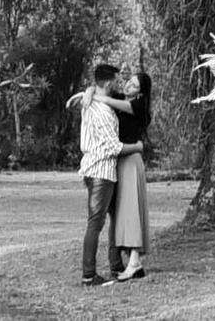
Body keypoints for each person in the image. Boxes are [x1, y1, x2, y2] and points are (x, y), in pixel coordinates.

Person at [69, 61, 140, 286]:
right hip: (101, 171)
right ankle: (89, 274)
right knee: (96, 222)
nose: (119, 85)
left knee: (114, 217)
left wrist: (88, 91)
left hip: (102, 170)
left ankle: (115, 264)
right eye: (117, 81)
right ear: (108, 82)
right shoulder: (102, 112)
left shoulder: (90, 103)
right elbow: (113, 147)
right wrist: (137, 147)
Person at [109, 69, 152, 280]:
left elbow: (115, 103)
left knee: (132, 210)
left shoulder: (139, 106)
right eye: (129, 82)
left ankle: (134, 262)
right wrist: (88, 93)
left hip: (131, 163)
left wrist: (99, 97)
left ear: (140, 93)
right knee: (124, 211)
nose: (128, 86)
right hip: (122, 160)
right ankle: (135, 261)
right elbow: (105, 93)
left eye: (134, 86)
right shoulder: (119, 98)